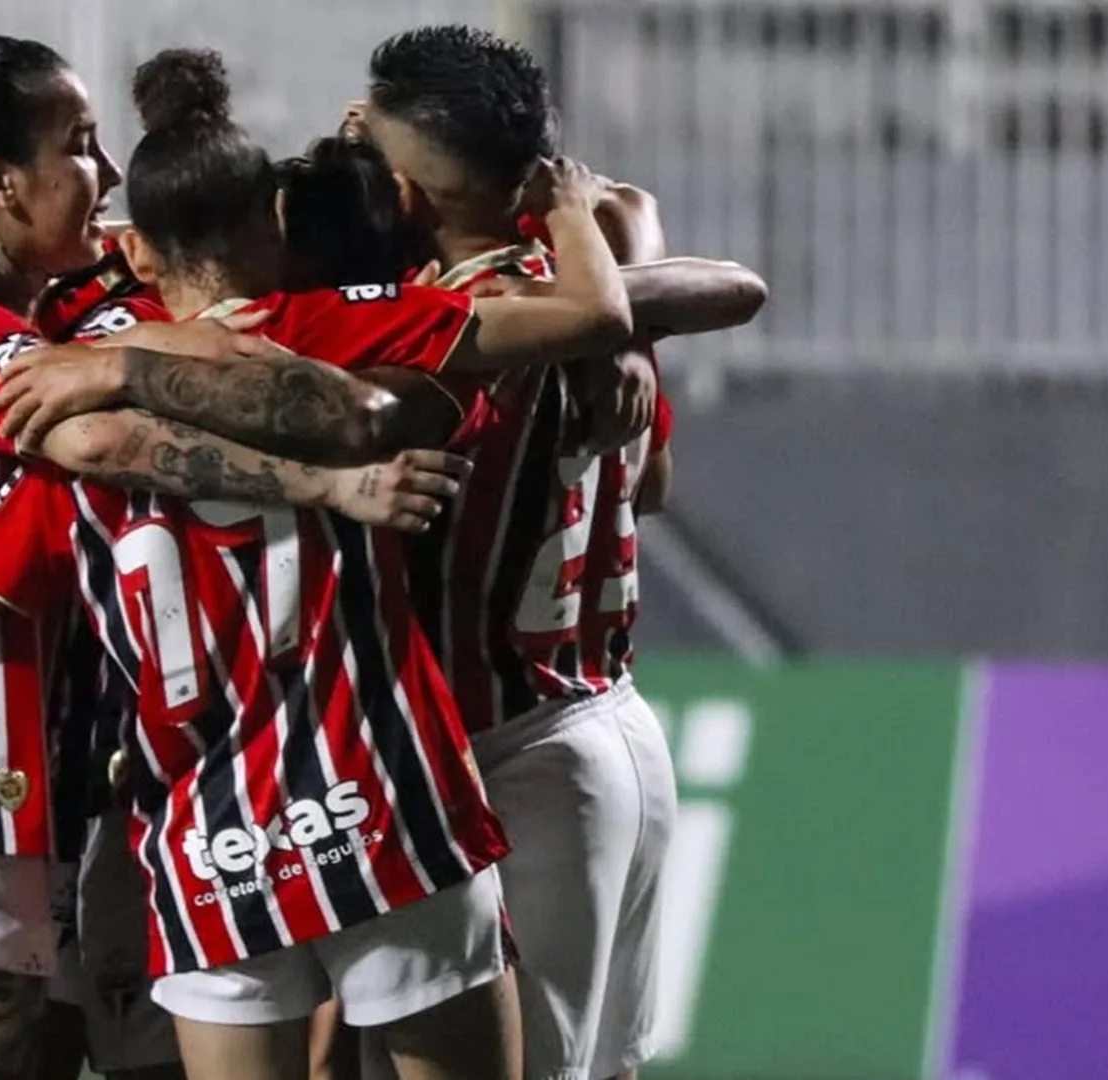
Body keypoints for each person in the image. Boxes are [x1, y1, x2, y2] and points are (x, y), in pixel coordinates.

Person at [0, 41, 735, 1080]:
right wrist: (608, 330)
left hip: (201, 821)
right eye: (82, 146)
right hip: (381, 783)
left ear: (147, 251)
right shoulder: (358, 328)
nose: (104, 175)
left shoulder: (75, 340)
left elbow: (10, 529)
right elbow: (626, 317)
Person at [353, 24, 766, 1080]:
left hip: (513, 754)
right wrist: (624, 325)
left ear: (409, 191)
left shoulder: (454, 322)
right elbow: (652, 481)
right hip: (609, 726)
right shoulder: (584, 295)